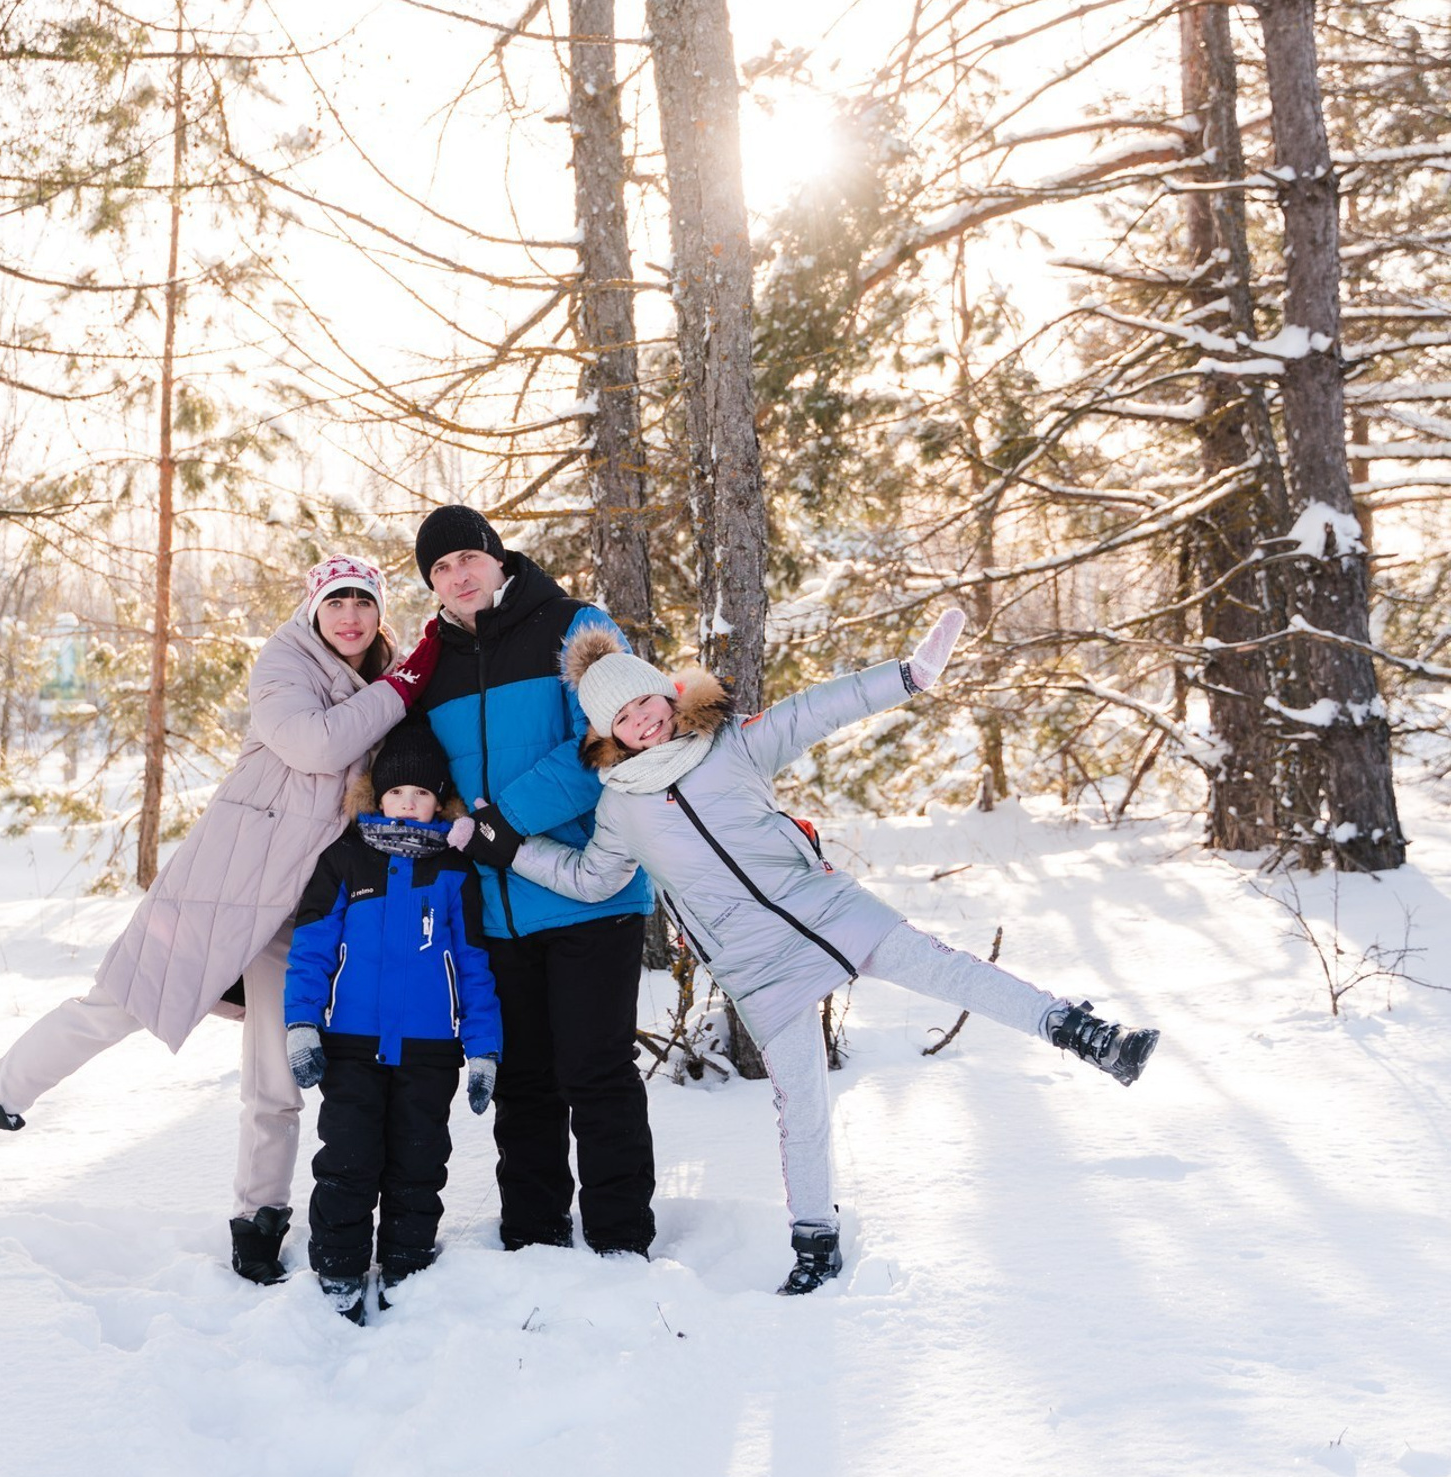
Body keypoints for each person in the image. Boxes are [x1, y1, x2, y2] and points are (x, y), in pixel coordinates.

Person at [522, 611, 1160, 1296]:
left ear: (669, 694)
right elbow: (592, 878)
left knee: (949, 970)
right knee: (801, 1103)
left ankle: (1085, 1033)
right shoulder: (621, 808)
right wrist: (506, 849)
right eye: (622, 716)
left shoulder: (733, 744)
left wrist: (909, 677)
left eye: (646, 700)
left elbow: (816, 709)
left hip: (827, 910)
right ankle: (815, 1243)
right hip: (755, 964)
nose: (642, 719)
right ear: (607, 734)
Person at [0, 556, 440, 1293]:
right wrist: (400, 687)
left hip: (297, 913)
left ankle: (260, 1220)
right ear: (313, 610)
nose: (350, 617)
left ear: (380, 614)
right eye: (336, 602)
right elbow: (317, 745)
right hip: (219, 892)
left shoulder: (384, 685)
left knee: (275, 1077)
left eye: (363, 604)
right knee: (112, 1007)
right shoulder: (288, 664)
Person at [411, 504, 658, 1258]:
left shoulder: (575, 627)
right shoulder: (433, 664)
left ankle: (620, 1241)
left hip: (592, 892)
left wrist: (507, 818)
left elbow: (611, 735)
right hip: (496, 906)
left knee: (597, 1073)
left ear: (496, 557)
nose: (458, 576)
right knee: (524, 1084)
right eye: (441, 569)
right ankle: (534, 1237)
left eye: (468, 559)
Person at [283, 717, 501, 1324]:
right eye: (397, 794)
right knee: (347, 1160)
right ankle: (338, 1273)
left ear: (439, 802)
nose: (408, 805)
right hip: (350, 1046)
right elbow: (311, 950)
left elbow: (476, 965)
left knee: (419, 1161)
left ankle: (408, 1267)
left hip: (431, 1052)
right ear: (378, 797)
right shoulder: (345, 860)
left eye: (422, 795)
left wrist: (483, 1047)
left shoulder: (455, 873)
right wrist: (302, 1022)